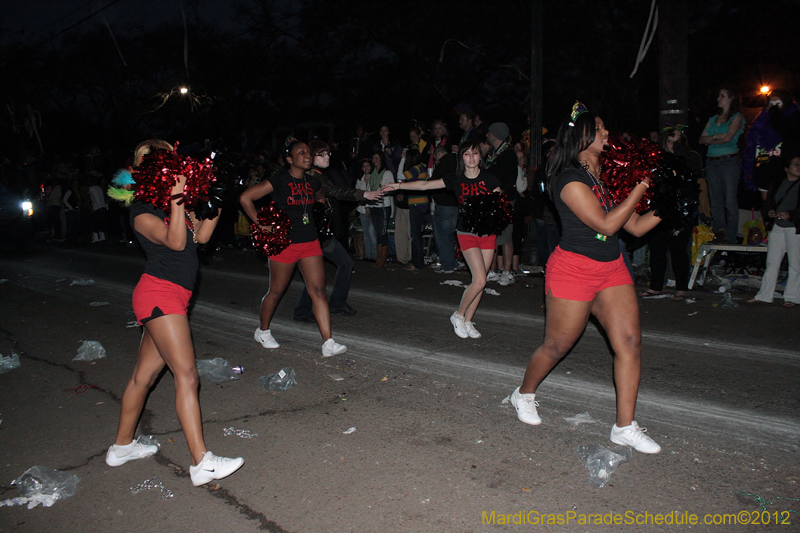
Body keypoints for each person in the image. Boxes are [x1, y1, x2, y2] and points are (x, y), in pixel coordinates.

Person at [509, 103, 663, 454]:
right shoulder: (567, 178)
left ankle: (624, 427)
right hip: (573, 270)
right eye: (599, 127)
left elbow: (634, 226)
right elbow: (607, 224)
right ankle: (523, 394)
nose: (607, 133)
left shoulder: (605, 178)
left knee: (630, 342)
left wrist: (669, 206)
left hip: (611, 268)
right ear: (580, 135)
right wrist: (640, 187)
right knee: (557, 346)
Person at [107, 140, 244, 487]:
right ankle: (202, 463)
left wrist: (217, 202)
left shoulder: (169, 205)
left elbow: (201, 237)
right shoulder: (141, 210)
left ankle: (121, 447)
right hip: (159, 295)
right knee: (187, 375)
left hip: (171, 298)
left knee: (144, 377)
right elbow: (176, 243)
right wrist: (178, 199)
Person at [382, 140, 503, 339]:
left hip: (487, 234)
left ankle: (468, 320)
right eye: (467, 154)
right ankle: (458, 315)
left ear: (480, 156)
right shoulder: (456, 179)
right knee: (480, 280)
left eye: (474, 153)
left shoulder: (489, 178)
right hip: (467, 234)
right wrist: (398, 185)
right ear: (461, 158)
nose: (471, 157)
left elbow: (502, 203)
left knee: (479, 283)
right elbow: (424, 185)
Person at [240, 139, 348, 357]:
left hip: (309, 242)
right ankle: (262, 331)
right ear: (290, 159)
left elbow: (320, 198)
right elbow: (246, 197)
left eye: (308, 152)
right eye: (301, 152)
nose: (307, 155)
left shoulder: (312, 181)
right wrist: (260, 223)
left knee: (318, 290)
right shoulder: (279, 180)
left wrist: (319, 211)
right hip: (284, 243)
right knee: (277, 291)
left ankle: (328, 342)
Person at [293, 140, 382, 321]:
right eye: (322, 154)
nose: (327, 157)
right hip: (313, 233)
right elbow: (334, 191)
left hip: (320, 232)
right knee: (324, 270)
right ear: (312, 157)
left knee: (342, 264)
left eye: (328, 154)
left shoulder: (318, 174)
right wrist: (363, 194)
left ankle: (331, 303)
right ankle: (306, 310)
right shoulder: (313, 176)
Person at [640, 128, 697, 300]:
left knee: (679, 250)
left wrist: (679, 152)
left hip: (682, 211)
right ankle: (656, 285)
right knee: (657, 248)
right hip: (661, 209)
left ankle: (681, 288)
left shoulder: (691, 157)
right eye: (670, 141)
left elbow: (691, 174)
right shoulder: (658, 159)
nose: (673, 145)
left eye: (677, 141)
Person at [748, 154, 800, 307]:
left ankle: (792, 297)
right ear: (786, 168)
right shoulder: (778, 183)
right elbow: (768, 201)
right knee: (772, 262)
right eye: (795, 164)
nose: (798, 167)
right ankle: (764, 295)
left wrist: (790, 214)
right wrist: (770, 211)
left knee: (795, 263)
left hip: (794, 228)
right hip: (778, 226)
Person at [699, 86, 745, 243]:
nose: (718, 99)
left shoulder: (736, 117)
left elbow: (728, 138)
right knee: (715, 199)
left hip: (728, 161)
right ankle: (719, 231)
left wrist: (710, 139)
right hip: (712, 162)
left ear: (731, 98)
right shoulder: (713, 119)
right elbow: (701, 139)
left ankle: (730, 237)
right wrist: (717, 136)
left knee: (730, 200)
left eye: (722, 96)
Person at [485, 122, 519, 286]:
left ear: (496, 134)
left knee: (505, 236)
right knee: (491, 236)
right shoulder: (492, 153)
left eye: (489, 132)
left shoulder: (508, 154)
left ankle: (507, 271)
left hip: (503, 199)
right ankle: (492, 271)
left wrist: (501, 196)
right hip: (490, 199)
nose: (487, 135)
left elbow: (509, 180)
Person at [430, 146, 459, 273]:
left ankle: (447, 264)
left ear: (439, 155)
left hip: (444, 203)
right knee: (450, 235)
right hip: (455, 203)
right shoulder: (458, 162)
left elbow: (434, 182)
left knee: (443, 235)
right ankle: (451, 262)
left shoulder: (443, 164)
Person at [367, 151, 395, 268]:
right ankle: (379, 258)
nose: (375, 160)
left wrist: (382, 191)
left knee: (383, 232)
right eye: (373, 158)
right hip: (374, 205)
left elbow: (392, 188)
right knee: (377, 232)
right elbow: (369, 189)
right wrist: (368, 206)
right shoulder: (372, 174)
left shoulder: (387, 173)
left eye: (377, 157)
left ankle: (383, 259)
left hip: (384, 205)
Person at [355, 159, 378, 261]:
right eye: (364, 166)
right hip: (362, 209)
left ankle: (375, 255)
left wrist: (368, 206)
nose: (366, 168)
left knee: (371, 231)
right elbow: (358, 195)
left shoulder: (374, 178)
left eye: (368, 165)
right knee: (366, 233)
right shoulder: (359, 180)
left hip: (373, 208)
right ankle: (367, 255)